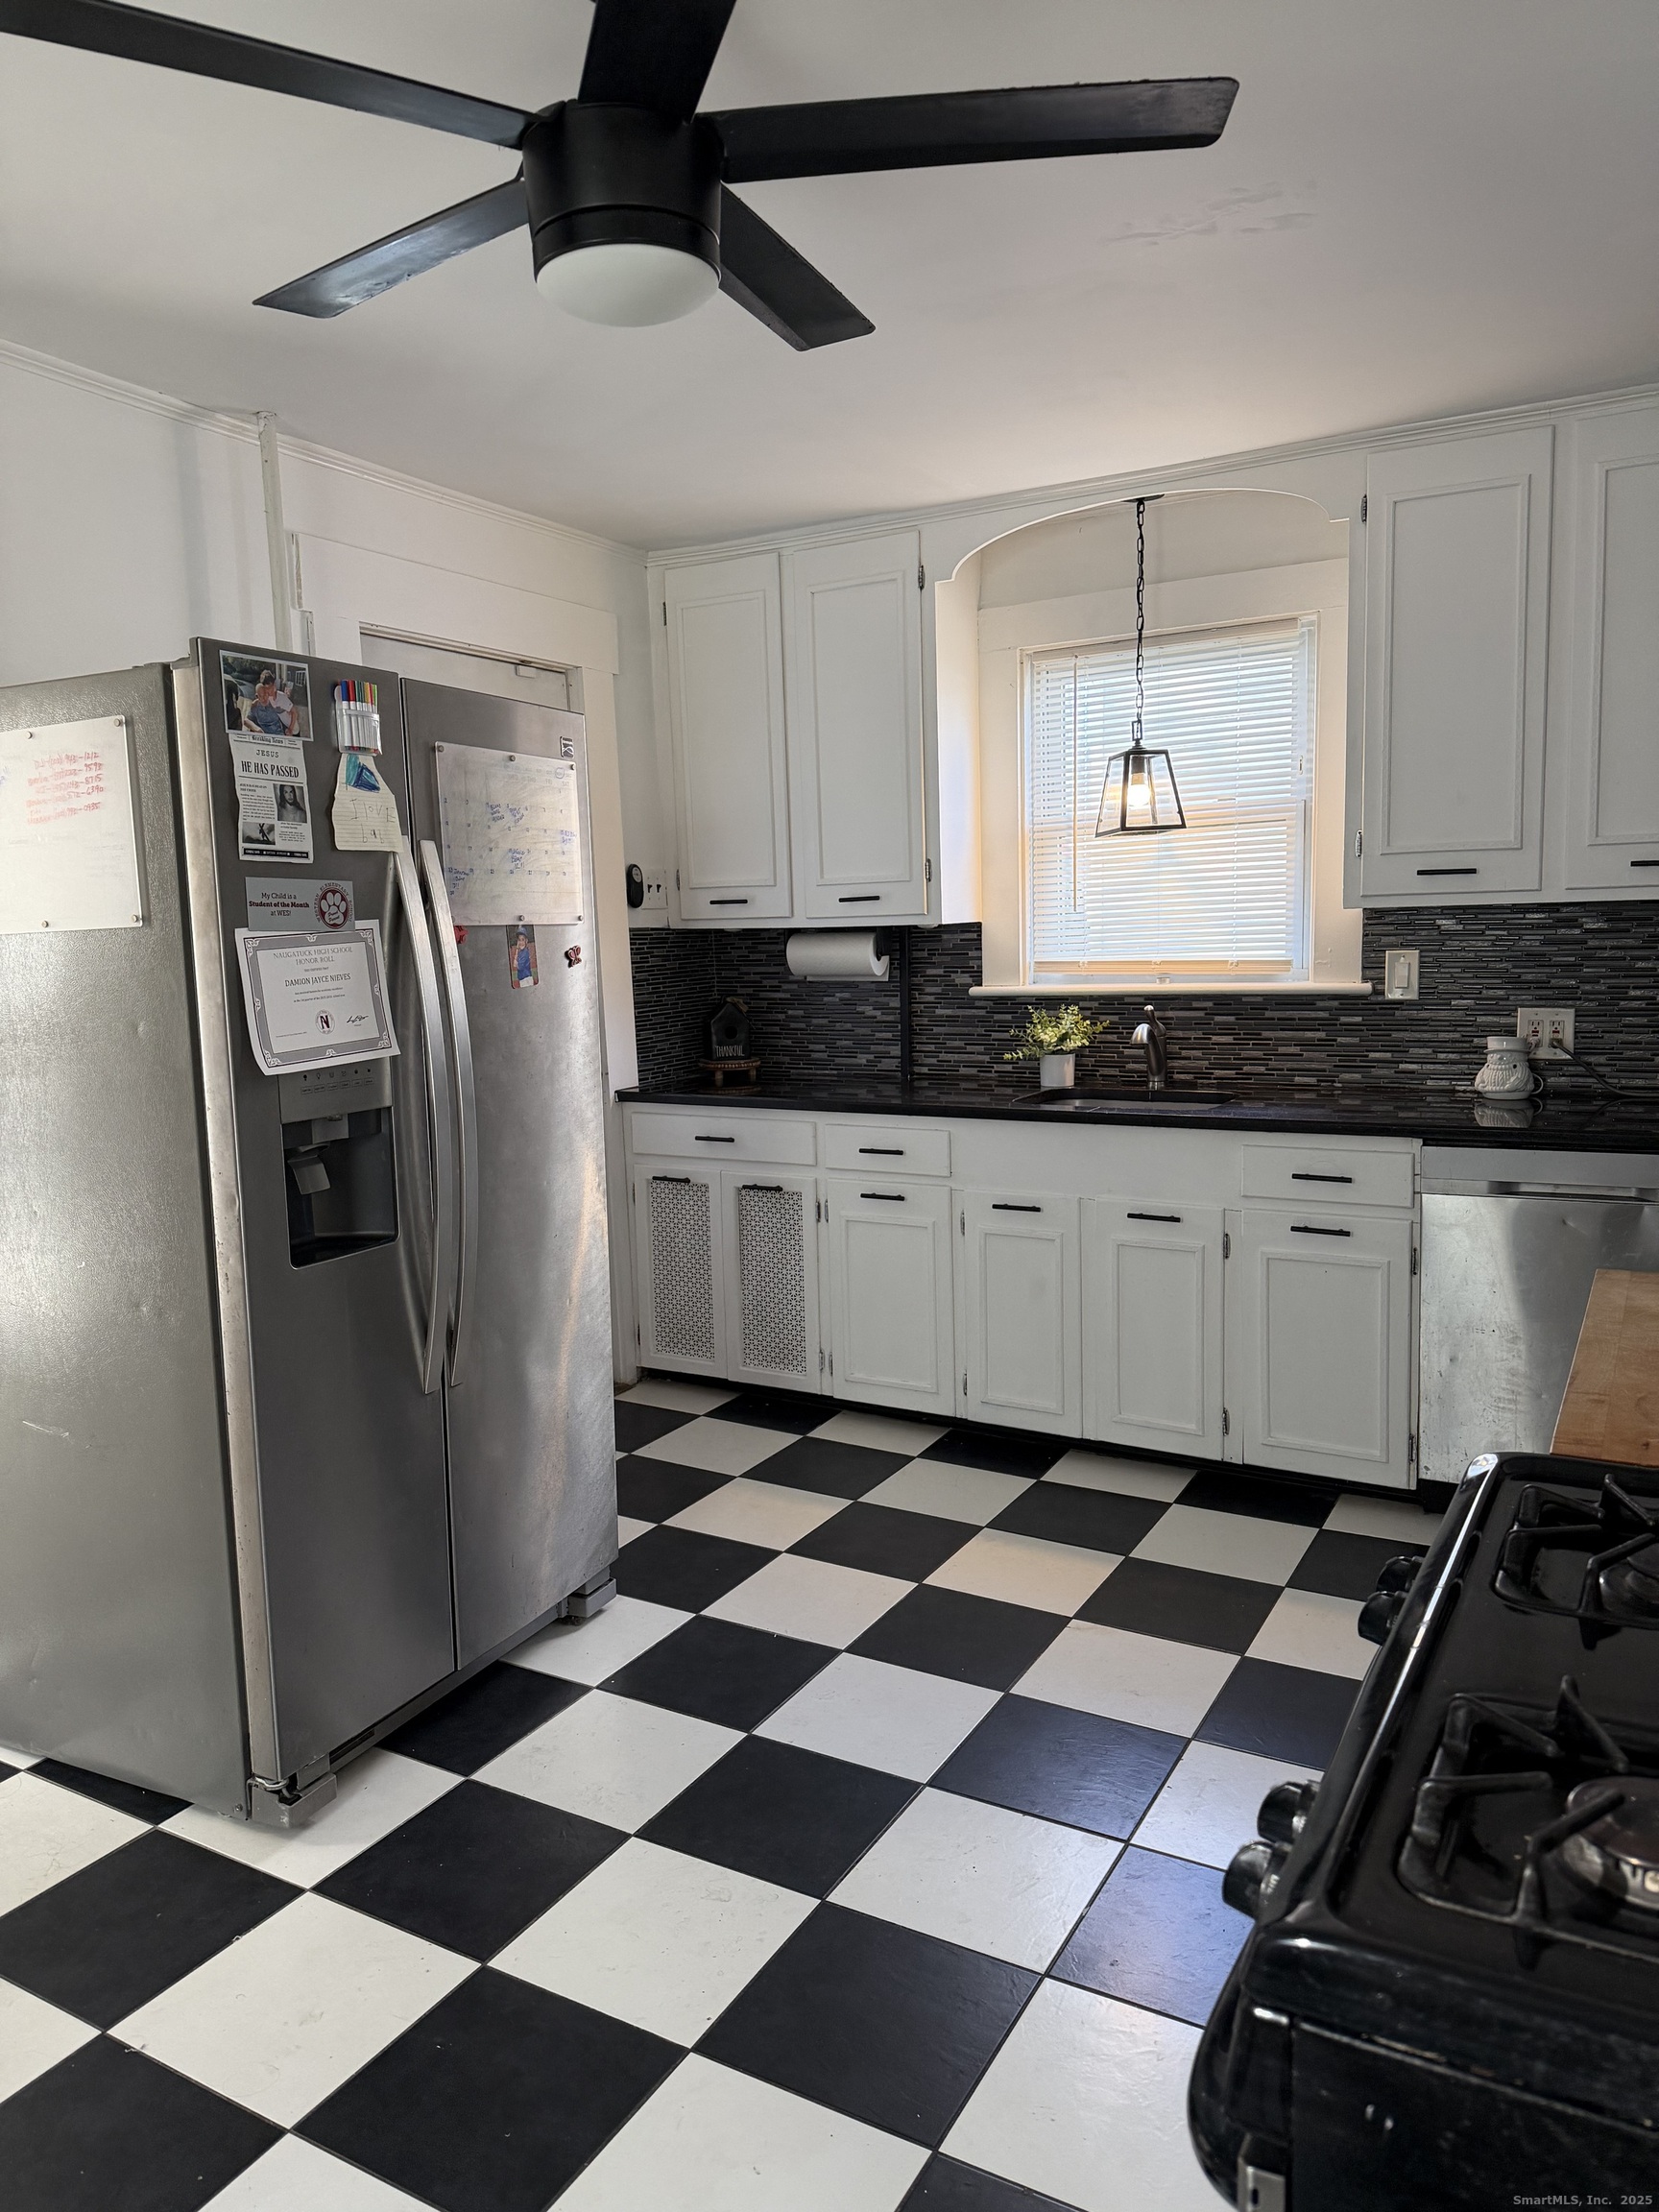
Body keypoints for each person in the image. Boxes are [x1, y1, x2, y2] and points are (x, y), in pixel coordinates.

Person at [245, 670, 300, 738]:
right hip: (284, 728)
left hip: (293, 727)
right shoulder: (268, 698)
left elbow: (294, 712)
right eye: (266, 689)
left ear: (274, 685)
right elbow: (261, 698)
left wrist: (291, 729)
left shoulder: (281, 697)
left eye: (270, 688)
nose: (268, 691)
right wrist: (255, 702)